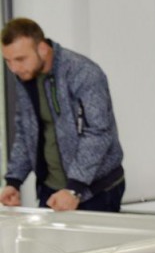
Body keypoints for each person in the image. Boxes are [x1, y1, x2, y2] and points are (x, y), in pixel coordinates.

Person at [0, 18, 125, 212]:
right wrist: (14, 181)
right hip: (52, 191)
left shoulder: (83, 72)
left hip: (96, 191)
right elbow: (26, 131)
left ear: (42, 49)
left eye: (20, 59)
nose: (14, 68)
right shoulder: (26, 76)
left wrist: (74, 188)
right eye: (8, 61)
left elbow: (98, 133)